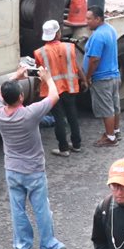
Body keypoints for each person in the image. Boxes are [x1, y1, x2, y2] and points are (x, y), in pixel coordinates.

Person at [0, 64, 66, 249]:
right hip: (33, 170)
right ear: (21, 97)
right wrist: (47, 78)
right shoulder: (30, 114)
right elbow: (54, 96)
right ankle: (48, 243)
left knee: (17, 209)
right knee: (41, 208)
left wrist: (14, 77)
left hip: (12, 169)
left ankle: (22, 244)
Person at [34, 20, 86, 157]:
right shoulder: (69, 47)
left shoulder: (40, 53)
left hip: (53, 91)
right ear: (58, 33)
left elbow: (40, 72)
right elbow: (77, 66)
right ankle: (76, 145)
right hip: (69, 87)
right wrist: (84, 80)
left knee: (59, 118)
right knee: (72, 115)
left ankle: (63, 148)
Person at [86, 7, 122, 147]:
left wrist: (88, 76)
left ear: (98, 19)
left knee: (106, 109)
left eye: (89, 19)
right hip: (114, 75)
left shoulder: (98, 36)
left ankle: (110, 138)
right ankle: (115, 131)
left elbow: (94, 59)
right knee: (114, 106)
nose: (86, 21)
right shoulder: (110, 29)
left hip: (102, 78)